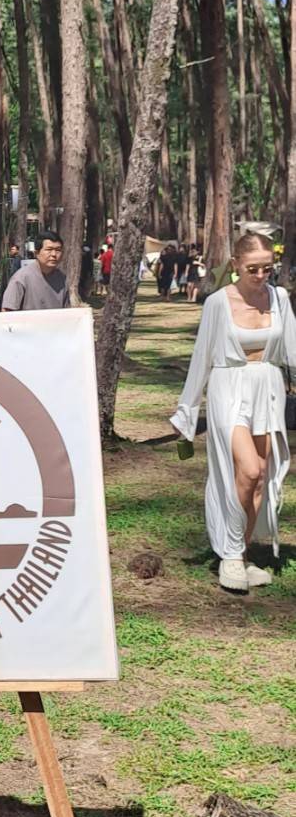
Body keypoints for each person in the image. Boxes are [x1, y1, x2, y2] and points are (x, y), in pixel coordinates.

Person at [170, 232, 296, 592]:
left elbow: (292, 349)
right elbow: (202, 357)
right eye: (253, 268)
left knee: (260, 477)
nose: (261, 275)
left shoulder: (279, 297)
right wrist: (187, 410)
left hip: (267, 390)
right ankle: (228, 554)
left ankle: (241, 553)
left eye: (267, 268)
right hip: (229, 388)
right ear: (236, 264)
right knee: (248, 468)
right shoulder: (217, 302)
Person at [1, 230, 70, 311]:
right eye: (49, 249)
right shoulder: (21, 278)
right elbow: (7, 311)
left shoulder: (62, 279)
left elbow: (66, 311)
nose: (54, 254)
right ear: (36, 253)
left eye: (58, 250)